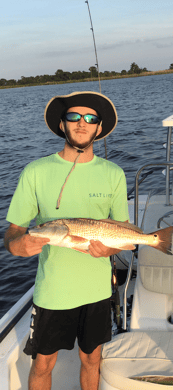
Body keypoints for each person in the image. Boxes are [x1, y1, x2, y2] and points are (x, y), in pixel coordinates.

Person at [4, 91, 132, 390]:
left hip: (97, 290)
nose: (82, 123)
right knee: (43, 364)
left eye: (91, 119)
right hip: (53, 292)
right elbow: (13, 232)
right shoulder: (35, 172)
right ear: (62, 124)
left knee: (92, 360)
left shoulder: (113, 173)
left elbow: (121, 234)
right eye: (74, 116)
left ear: (99, 128)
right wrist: (17, 245)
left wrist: (109, 249)